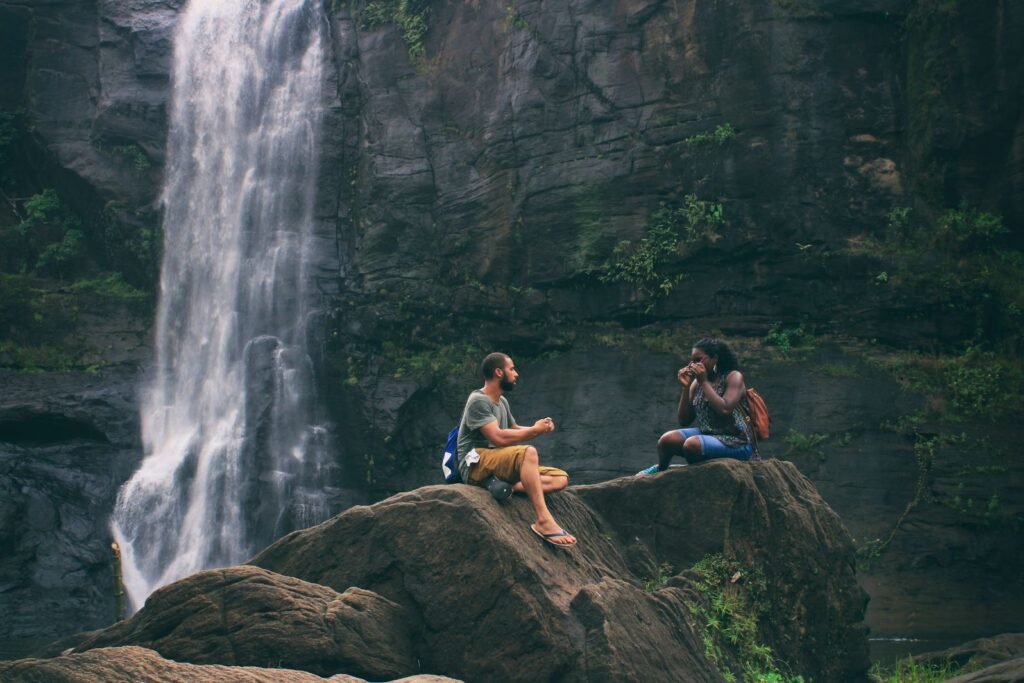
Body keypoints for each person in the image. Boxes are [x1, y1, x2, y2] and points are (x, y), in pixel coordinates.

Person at [457, 352, 576, 548]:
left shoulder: (501, 402)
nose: (516, 374)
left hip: (495, 460)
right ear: (498, 372)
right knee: (528, 453)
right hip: (475, 462)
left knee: (560, 478)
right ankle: (544, 521)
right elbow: (498, 437)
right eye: (511, 369)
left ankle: (503, 486)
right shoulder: (478, 400)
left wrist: (538, 428)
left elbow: (513, 429)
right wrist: (534, 432)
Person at [638, 338, 757, 475]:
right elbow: (684, 420)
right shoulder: (696, 384)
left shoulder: (733, 377)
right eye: (692, 361)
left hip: (737, 442)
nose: (692, 365)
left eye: (698, 360)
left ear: (715, 359)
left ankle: (697, 472)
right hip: (709, 435)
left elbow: (725, 409)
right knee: (667, 440)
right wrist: (686, 387)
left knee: (692, 445)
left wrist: (704, 381)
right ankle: (661, 470)